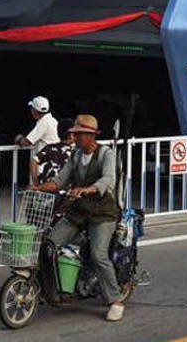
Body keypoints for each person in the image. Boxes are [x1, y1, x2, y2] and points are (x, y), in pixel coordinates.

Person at [33, 115, 125, 321]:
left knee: (98, 254)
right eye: (74, 134)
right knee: (48, 245)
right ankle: (52, 290)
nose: (74, 137)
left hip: (103, 213)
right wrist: (39, 188)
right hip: (79, 210)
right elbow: (60, 180)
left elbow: (109, 179)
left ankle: (115, 300)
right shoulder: (75, 155)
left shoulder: (105, 154)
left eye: (78, 134)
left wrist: (89, 189)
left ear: (90, 136)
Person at [15, 96, 60, 186]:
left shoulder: (43, 122)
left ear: (35, 110)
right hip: (54, 162)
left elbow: (27, 142)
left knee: (42, 193)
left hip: (45, 165)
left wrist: (19, 138)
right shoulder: (53, 121)